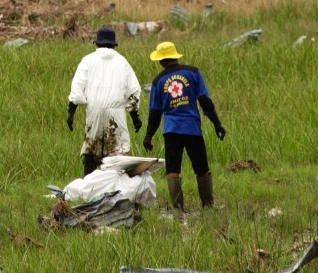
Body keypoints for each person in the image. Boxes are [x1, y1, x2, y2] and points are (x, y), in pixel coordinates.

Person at [142, 41, 226, 210]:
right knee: (201, 167)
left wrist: (149, 135)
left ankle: (178, 209)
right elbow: (205, 100)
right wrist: (217, 123)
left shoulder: (158, 81)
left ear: (161, 61)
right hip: (192, 128)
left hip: (171, 130)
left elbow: (154, 112)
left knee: (173, 169)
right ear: (175, 56)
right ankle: (208, 206)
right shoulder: (193, 73)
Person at [66, 27, 143, 176]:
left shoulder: (87, 60)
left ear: (97, 43)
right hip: (116, 112)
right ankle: (116, 186)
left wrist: (71, 111)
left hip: (94, 110)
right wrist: (134, 115)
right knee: (117, 151)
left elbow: (77, 87)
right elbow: (133, 90)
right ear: (114, 44)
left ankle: (88, 186)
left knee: (91, 147)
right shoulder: (122, 62)